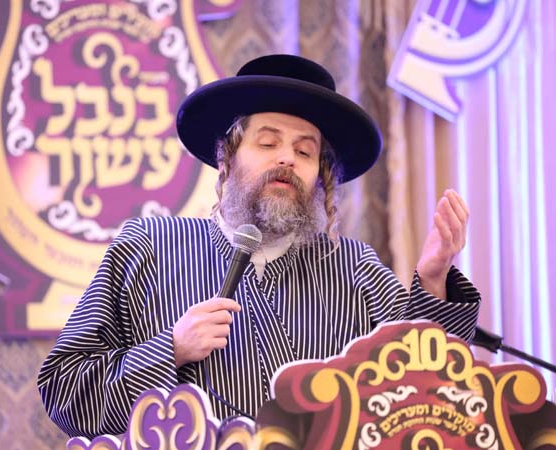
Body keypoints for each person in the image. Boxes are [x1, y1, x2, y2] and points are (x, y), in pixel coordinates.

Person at [38, 54, 480, 438]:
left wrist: (433, 280)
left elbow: (429, 393)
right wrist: (171, 348)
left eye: (305, 152)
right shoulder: (149, 247)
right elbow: (65, 391)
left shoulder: (354, 266)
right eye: (268, 143)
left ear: (319, 178)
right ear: (226, 158)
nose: (286, 158)